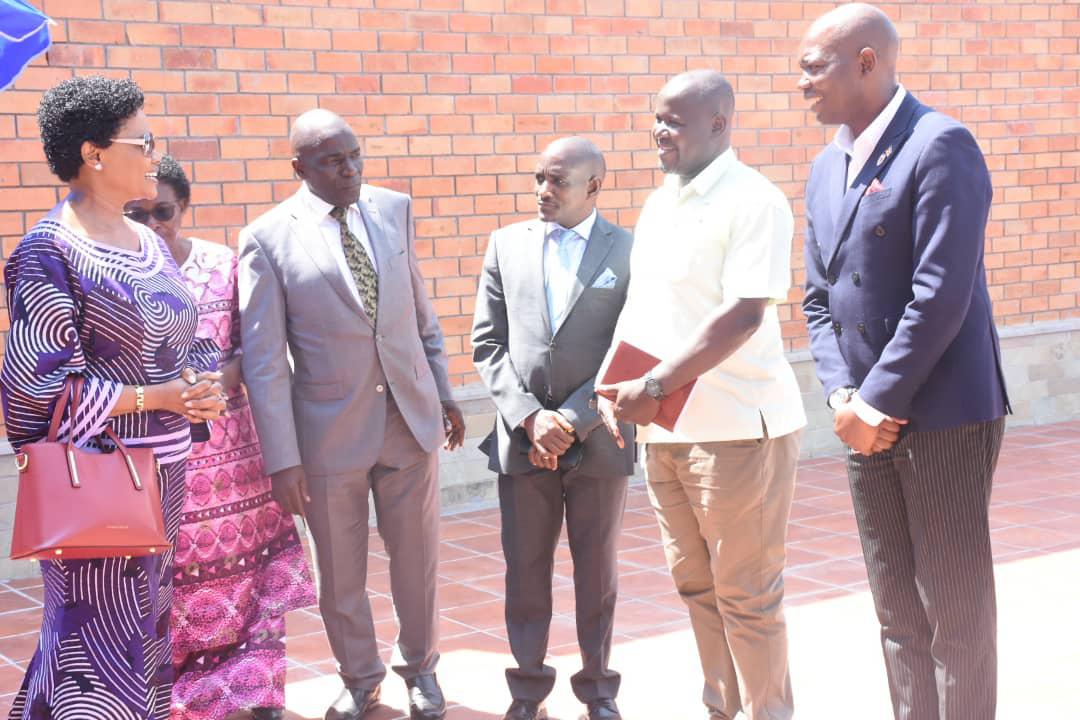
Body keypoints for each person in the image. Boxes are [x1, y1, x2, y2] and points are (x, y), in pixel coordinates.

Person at [797, 5, 1010, 718]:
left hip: (942, 414)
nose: (801, 83)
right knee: (896, 613)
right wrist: (842, 398)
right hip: (862, 423)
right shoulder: (827, 166)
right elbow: (818, 300)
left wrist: (875, 401)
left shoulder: (939, 144)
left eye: (814, 67)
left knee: (955, 615)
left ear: (866, 62)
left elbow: (942, 294)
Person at [0, 75, 225, 720]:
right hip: (96, 476)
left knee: (146, 629)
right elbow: (35, 388)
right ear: (94, 153)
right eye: (142, 141)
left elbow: (185, 336)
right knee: (91, 636)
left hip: (164, 470)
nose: (155, 154)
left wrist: (199, 386)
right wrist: (158, 396)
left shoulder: (146, 240)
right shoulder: (49, 251)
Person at [237, 108, 465, 720]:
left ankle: (422, 670)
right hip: (328, 436)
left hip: (408, 420)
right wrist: (282, 459)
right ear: (300, 168)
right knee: (340, 573)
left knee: (418, 561)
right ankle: (361, 678)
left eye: (355, 156)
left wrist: (443, 392)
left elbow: (419, 314)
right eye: (333, 161)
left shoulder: (393, 209)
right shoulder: (267, 238)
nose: (350, 170)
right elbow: (264, 362)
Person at [596, 71, 807, 720]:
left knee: (747, 595)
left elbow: (743, 315)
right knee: (695, 586)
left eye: (674, 121)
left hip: (738, 430)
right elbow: (646, 306)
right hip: (666, 430)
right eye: (656, 119)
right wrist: (613, 384)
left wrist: (656, 385)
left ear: (719, 124)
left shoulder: (754, 201)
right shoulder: (662, 202)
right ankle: (722, 708)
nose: (659, 131)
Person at [124, 156, 317, 720]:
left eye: (164, 211)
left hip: (235, 460)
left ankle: (258, 692)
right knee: (174, 581)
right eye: (138, 214)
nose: (153, 224)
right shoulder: (115, 275)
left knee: (251, 574)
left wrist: (216, 381)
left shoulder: (223, 265)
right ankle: (186, 698)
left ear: (184, 207)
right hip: (161, 463)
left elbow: (253, 349)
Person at [472, 137, 635, 720]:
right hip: (523, 441)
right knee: (525, 572)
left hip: (599, 439)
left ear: (594, 186)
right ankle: (527, 692)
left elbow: (632, 346)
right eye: (539, 177)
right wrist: (530, 417)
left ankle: (599, 690)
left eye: (557, 181)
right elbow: (487, 343)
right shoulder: (505, 243)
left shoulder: (630, 250)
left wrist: (571, 417)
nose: (543, 190)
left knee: (597, 574)